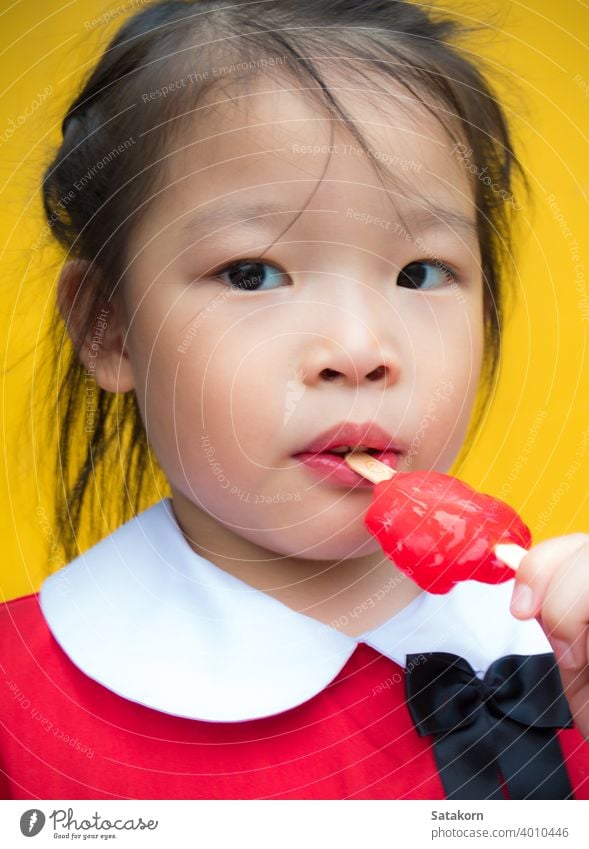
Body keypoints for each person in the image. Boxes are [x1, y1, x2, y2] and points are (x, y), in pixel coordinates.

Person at [1, 0, 588, 801]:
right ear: (110, 329)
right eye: (251, 273)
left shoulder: (563, 649)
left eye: (419, 272)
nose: (357, 350)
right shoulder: (20, 702)